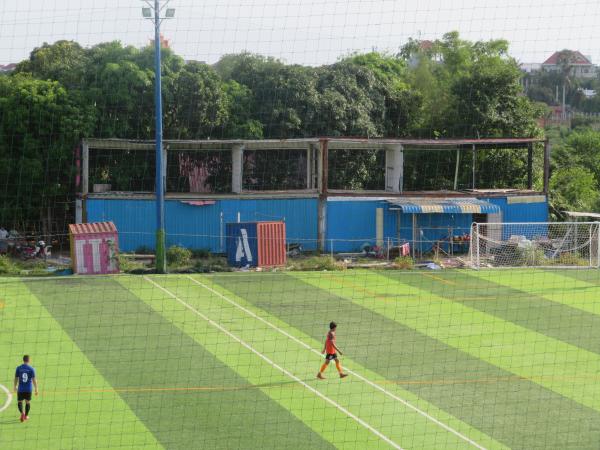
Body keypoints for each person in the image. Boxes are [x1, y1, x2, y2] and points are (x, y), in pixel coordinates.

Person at [14, 355, 38, 422]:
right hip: (28, 389)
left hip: (20, 389)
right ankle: (26, 416)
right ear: (29, 360)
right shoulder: (31, 369)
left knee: (19, 402)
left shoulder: (18, 368)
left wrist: (15, 386)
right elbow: (34, 380)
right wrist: (36, 389)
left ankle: (22, 413)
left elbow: (16, 378)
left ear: (23, 360)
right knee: (27, 402)